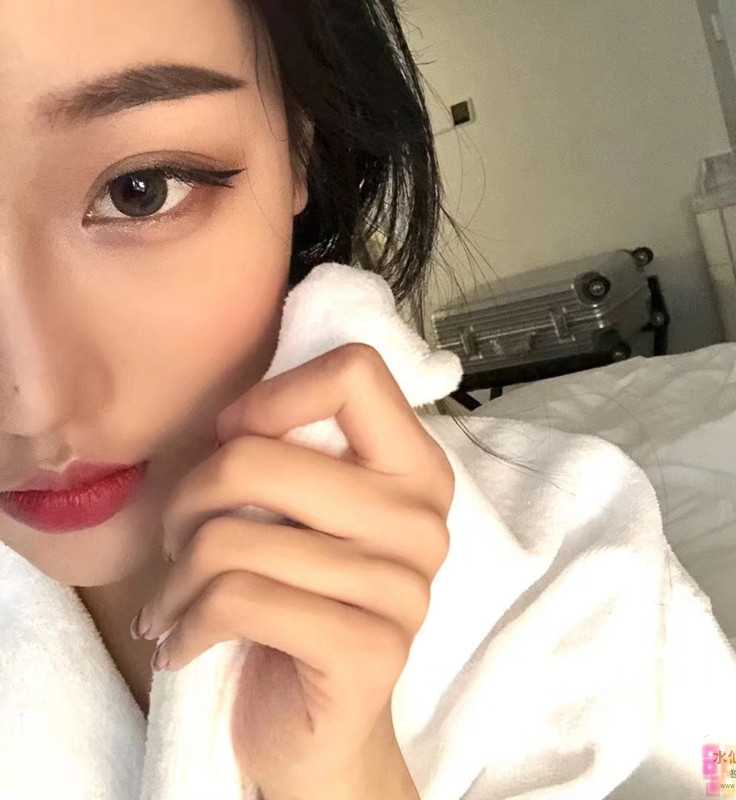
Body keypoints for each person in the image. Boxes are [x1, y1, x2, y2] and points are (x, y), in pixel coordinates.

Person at [0, 1, 474, 798]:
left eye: (140, 191)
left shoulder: (587, 572)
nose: (33, 405)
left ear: (298, 147)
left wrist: (350, 779)